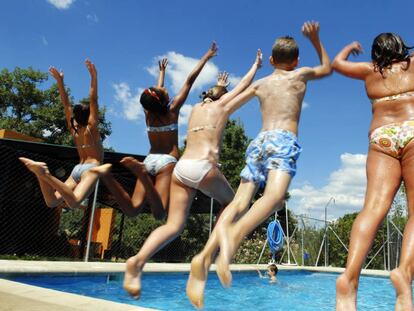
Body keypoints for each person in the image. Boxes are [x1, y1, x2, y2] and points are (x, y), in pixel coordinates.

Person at [123, 49, 263, 299]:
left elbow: (188, 92)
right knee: (233, 202)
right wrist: (256, 65)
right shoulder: (221, 106)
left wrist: (218, 86)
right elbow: (244, 85)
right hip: (203, 167)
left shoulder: (195, 108)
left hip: (181, 169)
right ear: (222, 96)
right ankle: (211, 252)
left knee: (174, 225)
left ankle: (138, 261)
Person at [208, 21, 331, 297]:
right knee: (275, 197)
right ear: (296, 60)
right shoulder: (299, 76)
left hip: (259, 141)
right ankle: (235, 235)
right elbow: (327, 67)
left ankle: (213, 248)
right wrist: (316, 39)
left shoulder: (261, 84)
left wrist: (216, 95)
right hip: (282, 140)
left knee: (240, 201)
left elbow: (227, 107)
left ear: (272, 60)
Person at [332, 34, 414, 311]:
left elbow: (336, 63)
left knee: (373, 207)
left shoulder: (369, 71)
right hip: (412, 129)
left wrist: (348, 47)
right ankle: (404, 273)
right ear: (401, 48)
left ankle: (349, 277)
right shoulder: (412, 64)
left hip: (381, 136)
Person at [91, 43, 218, 219]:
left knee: (132, 210)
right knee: (160, 213)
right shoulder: (172, 111)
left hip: (149, 159)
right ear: (163, 99)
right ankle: (142, 175)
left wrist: (162, 74)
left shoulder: (148, 113)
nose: (164, 88)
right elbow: (189, 80)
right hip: (166, 162)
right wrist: (207, 56)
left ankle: (107, 176)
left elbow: (155, 97)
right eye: (163, 89)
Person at [19, 59, 103, 209]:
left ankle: (41, 175)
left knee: (51, 202)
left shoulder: (74, 128)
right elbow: (93, 99)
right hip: (91, 168)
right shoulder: (92, 128)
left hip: (78, 168)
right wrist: (94, 77)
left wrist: (60, 81)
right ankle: (45, 174)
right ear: (90, 115)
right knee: (74, 202)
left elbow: (66, 104)